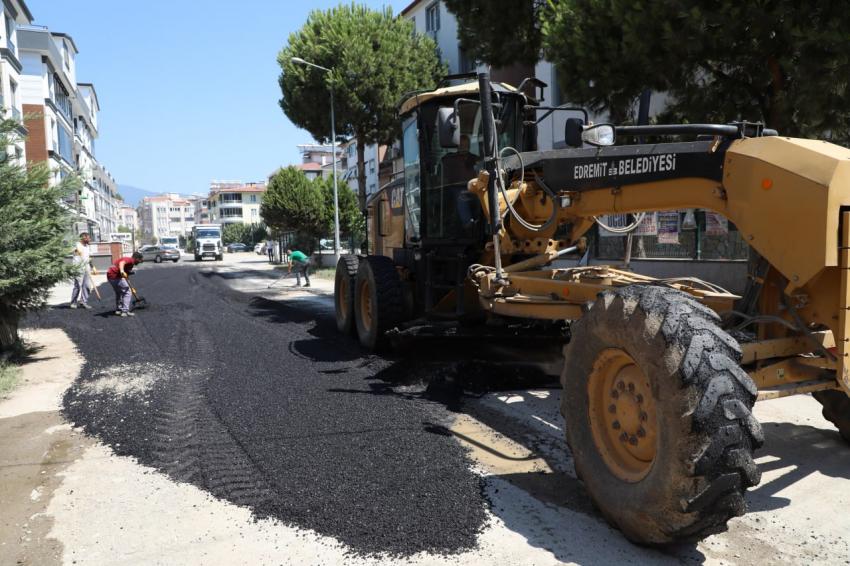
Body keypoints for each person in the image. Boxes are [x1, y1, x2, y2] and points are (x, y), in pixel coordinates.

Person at [107, 251, 144, 317]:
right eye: (140, 260)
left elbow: (126, 275)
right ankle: (125, 311)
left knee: (119, 292)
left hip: (110, 276)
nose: (140, 262)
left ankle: (118, 310)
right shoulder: (130, 260)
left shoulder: (130, 264)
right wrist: (122, 271)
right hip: (115, 276)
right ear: (137, 258)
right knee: (128, 292)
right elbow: (122, 263)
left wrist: (130, 273)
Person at [70, 232, 96, 309]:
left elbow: (89, 258)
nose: (90, 239)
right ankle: (73, 302)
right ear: (84, 238)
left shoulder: (87, 246)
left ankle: (83, 301)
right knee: (77, 286)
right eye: (88, 238)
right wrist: (76, 251)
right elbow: (69, 250)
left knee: (87, 286)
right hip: (78, 268)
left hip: (86, 268)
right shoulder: (76, 245)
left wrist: (92, 267)